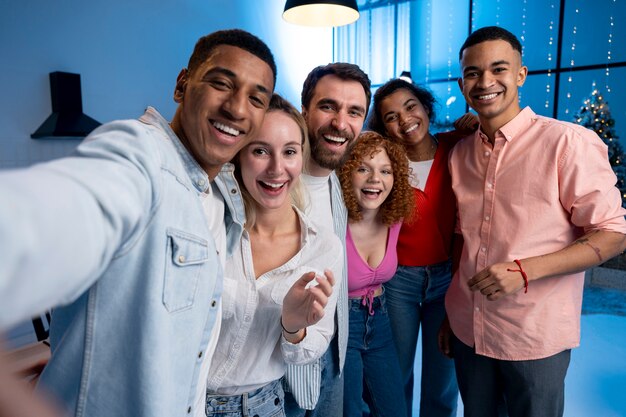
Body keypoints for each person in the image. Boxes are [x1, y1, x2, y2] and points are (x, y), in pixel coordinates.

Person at [0, 29, 276, 417]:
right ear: (182, 85)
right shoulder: (138, 156)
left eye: (255, 98)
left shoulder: (222, 194)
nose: (237, 108)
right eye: (220, 83)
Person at [441, 26, 626, 417]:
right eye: (473, 73)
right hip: (466, 327)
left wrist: (524, 270)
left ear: (521, 75)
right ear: (462, 83)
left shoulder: (567, 143)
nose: (485, 81)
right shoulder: (459, 155)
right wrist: (449, 313)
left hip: (533, 335)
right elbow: (463, 241)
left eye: (499, 69)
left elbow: (613, 234)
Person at [203, 94, 342, 417]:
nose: (277, 169)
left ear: (301, 157)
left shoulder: (323, 246)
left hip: (264, 407)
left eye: (290, 152)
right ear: (239, 156)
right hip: (186, 401)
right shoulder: (209, 225)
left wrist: (293, 327)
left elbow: (311, 349)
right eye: (261, 150)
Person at [368, 79, 478, 417]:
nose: (404, 119)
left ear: (426, 108)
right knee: (394, 373)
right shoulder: (384, 163)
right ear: (384, 127)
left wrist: (479, 124)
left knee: (443, 377)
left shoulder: (459, 145)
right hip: (398, 282)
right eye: (391, 116)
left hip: (447, 280)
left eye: (410, 106)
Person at [283, 63, 371, 416]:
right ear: (304, 109)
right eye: (328, 106)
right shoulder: (273, 181)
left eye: (354, 112)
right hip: (276, 370)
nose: (340, 123)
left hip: (331, 359)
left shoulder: (338, 184)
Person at [338, 132, 414, 417]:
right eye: (363, 169)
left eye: (385, 171)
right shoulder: (334, 220)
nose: (375, 179)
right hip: (341, 325)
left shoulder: (393, 219)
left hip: (379, 320)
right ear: (347, 173)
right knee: (349, 411)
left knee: (395, 410)